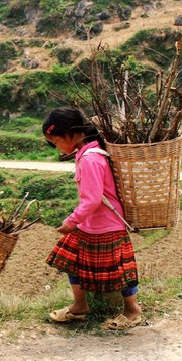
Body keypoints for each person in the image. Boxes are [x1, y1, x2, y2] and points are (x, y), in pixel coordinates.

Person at [42, 107, 143, 329]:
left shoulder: (90, 159)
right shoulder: (86, 153)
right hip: (90, 226)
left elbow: (92, 200)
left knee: (121, 271)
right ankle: (80, 306)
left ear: (69, 133)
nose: (56, 147)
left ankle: (132, 310)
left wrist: (70, 222)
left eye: (55, 141)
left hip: (107, 226)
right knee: (72, 262)